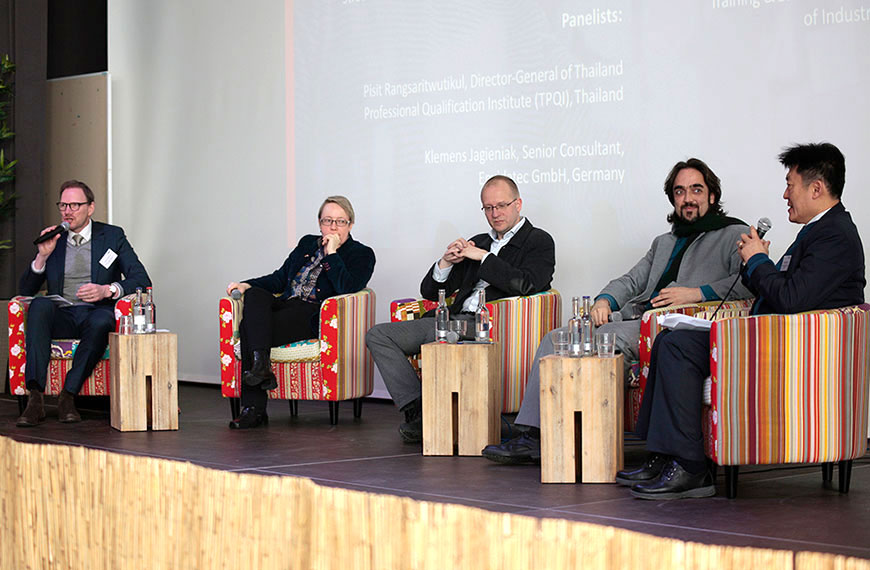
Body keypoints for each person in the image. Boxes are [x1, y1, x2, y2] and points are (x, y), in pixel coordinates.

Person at [621, 142, 865, 500]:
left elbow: (791, 298)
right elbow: (785, 289)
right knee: (668, 340)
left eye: (790, 184)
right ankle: (663, 455)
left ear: (816, 188)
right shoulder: (818, 231)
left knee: (677, 348)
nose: (785, 194)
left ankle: (691, 467)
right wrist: (751, 264)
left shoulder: (835, 235)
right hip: (773, 336)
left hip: (788, 349)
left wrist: (758, 261)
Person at [483, 158, 752, 464]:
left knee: (606, 336)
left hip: (669, 326)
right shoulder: (665, 242)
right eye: (679, 191)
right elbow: (631, 280)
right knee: (556, 338)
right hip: (635, 317)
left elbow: (747, 283)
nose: (688, 198)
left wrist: (695, 293)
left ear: (712, 196)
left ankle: (587, 440)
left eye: (696, 190)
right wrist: (605, 300)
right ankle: (531, 434)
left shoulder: (734, 234)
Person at [366, 175, 555, 443]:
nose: (495, 213)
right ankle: (419, 410)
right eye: (488, 208)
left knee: (441, 339)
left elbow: (527, 283)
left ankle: (432, 418)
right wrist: (446, 262)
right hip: (452, 320)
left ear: (518, 204)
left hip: (487, 326)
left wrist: (485, 258)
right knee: (378, 335)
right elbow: (430, 292)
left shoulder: (538, 240)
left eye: (501, 205)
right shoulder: (479, 240)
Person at [226, 196, 375, 429]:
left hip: (313, 314)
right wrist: (246, 284)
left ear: (351, 225)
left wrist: (332, 254)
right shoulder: (307, 243)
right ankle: (261, 368)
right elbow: (279, 278)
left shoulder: (361, 254)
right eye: (328, 220)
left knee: (249, 328)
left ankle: (253, 408)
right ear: (319, 223)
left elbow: (348, 288)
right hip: (287, 304)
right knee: (255, 295)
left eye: (340, 221)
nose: (334, 227)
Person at [16, 180, 151, 427]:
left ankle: (68, 395)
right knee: (39, 305)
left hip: (95, 314)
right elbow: (25, 290)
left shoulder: (111, 236)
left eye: (75, 205)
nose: (68, 211)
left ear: (90, 208)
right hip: (62, 315)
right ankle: (35, 398)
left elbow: (141, 279)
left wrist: (107, 290)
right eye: (63, 205)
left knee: (102, 320)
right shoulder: (53, 238)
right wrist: (42, 256)